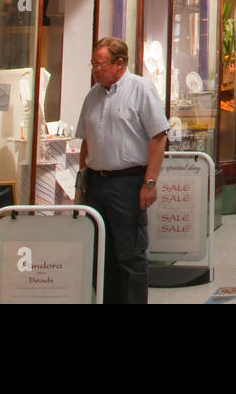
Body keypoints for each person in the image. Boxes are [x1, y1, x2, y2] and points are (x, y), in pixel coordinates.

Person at [77, 37, 169, 304]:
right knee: (101, 254)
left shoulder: (141, 90)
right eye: (93, 64)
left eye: (99, 64)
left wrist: (150, 182)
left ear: (119, 63)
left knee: (129, 254)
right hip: (97, 184)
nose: (95, 69)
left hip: (128, 184)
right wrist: (82, 181)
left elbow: (158, 137)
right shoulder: (92, 96)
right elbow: (86, 140)